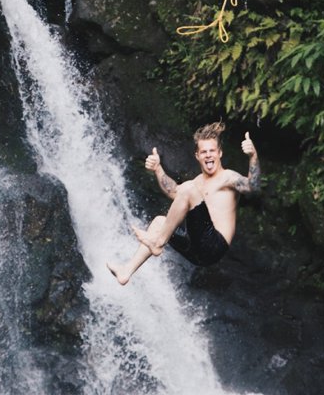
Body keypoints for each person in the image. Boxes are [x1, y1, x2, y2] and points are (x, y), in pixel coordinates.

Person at [107, 122, 260, 285]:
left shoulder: (227, 177)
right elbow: (174, 192)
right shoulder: (196, 183)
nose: (208, 155)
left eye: (212, 151)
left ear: (220, 153)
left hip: (214, 245)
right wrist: (158, 169)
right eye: (203, 152)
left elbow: (253, 186)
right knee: (160, 222)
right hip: (195, 250)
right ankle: (126, 272)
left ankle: (158, 243)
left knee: (186, 191)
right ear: (197, 156)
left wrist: (253, 156)